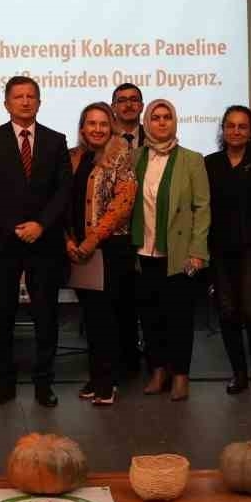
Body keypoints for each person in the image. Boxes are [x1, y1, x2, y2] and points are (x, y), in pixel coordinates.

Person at [0, 76, 72, 407]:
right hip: (3, 242)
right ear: (7, 103)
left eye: (31, 96)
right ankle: (5, 382)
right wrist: (14, 226)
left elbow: (63, 190)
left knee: (46, 315)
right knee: (1, 314)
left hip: (44, 243)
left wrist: (40, 225)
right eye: (18, 96)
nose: (26, 101)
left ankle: (44, 383)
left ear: (39, 102)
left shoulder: (56, 140)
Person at [130, 100, 210, 402]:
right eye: (155, 117)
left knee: (179, 317)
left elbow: (202, 208)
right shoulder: (134, 157)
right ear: (146, 123)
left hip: (180, 254)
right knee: (150, 317)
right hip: (142, 253)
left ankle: (180, 375)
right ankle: (158, 370)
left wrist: (197, 250)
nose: (162, 122)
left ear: (174, 122)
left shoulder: (192, 159)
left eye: (167, 117)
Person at [66, 102, 136, 406]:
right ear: (82, 128)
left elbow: (122, 205)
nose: (97, 129)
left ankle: (109, 381)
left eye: (103, 124)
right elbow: (63, 201)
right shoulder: (73, 157)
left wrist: (93, 239)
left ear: (112, 127)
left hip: (109, 249)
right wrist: (68, 241)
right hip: (78, 249)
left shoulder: (121, 157)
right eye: (91, 123)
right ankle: (96, 377)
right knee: (91, 318)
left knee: (107, 317)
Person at [204, 105, 251, 395]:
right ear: (222, 129)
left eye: (242, 126)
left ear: (250, 131)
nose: (236, 131)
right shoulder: (210, 163)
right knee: (227, 312)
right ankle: (239, 374)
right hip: (220, 251)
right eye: (230, 125)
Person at [109, 82, 146, 377]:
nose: (129, 105)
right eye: (122, 100)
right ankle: (125, 361)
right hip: (115, 234)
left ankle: (156, 362)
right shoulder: (103, 140)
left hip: (150, 231)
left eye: (134, 100)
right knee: (120, 301)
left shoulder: (157, 136)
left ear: (142, 106)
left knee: (150, 300)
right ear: (113, 107)